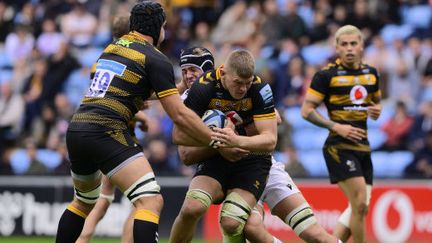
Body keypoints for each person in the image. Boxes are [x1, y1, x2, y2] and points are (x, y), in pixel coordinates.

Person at [55, 2, 217, 243]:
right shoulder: (155, 58)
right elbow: (179, 115)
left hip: (78, 129)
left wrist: (175, 88)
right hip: (106, 131)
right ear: (158, 27)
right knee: (150, 199)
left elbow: (126, 90)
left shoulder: (111, 49)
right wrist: (213, 138)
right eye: (164, 26)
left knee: (84, 201)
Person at [169, 49, 278, 243]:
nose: (243, 88)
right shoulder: (203, 88)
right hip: (217, 159)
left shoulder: (261, 89)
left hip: (252, 160)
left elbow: (270, 140)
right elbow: (179, 137)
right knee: (191, 208)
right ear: (223, 73)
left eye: (248, 82)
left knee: (232, 222)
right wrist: (219, 141)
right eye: (238, 83)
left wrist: (235, 140)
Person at [301, 25, 382, 243]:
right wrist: (335, 126)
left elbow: (375, 105)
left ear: (362, 46)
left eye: (353, 43)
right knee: (360, 203)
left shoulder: (371, 75)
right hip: (338, 147)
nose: (349, 49)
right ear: (336, 47)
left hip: (364, 147)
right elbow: (306, 111)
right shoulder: (326, 76)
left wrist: (376, 111)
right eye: (344, 44)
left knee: (358, 209)